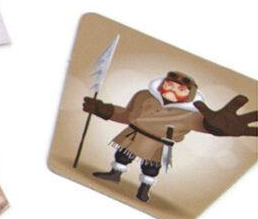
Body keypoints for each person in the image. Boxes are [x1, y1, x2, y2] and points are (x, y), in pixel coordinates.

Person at [83, 72, 257, 201]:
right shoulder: (144, 97)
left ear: (189, 93)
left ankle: (144, 188)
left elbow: (205, 124)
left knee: (151, 167)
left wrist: (219, 127)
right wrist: (104, 110)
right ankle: (114, 173)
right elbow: (128, 115)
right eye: (170, 85)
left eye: (180, 89)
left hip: (158, 143)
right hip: (135, 134)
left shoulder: (190, 114)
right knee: (122, 155)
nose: (173, 91)